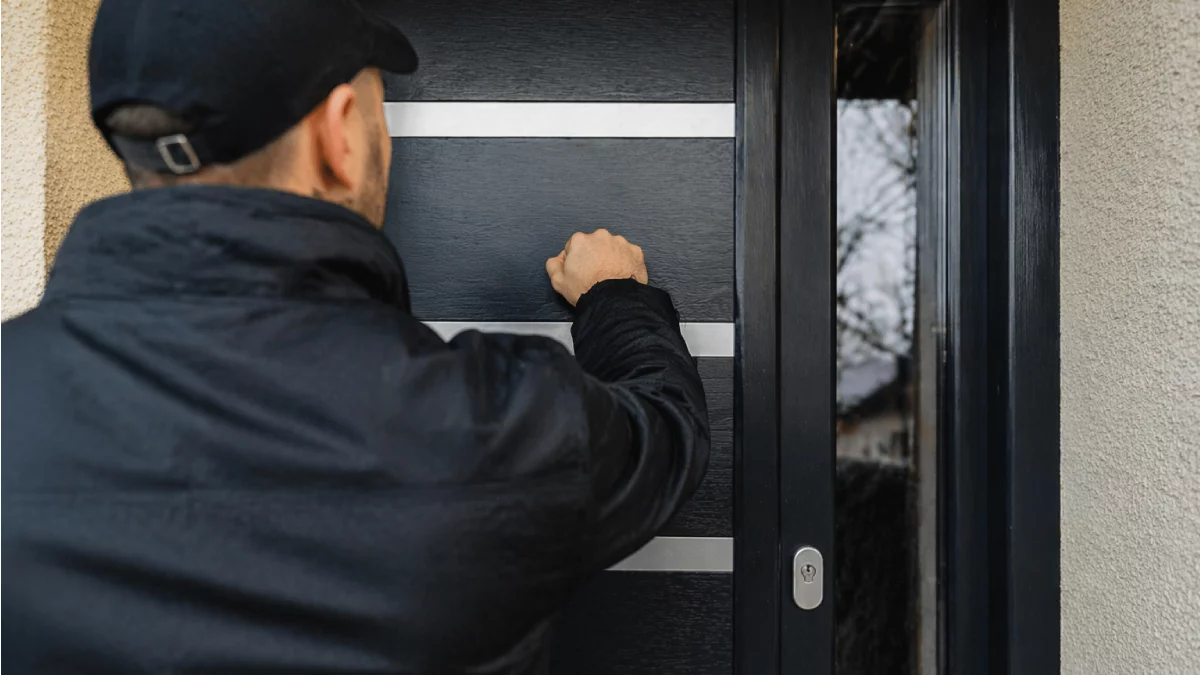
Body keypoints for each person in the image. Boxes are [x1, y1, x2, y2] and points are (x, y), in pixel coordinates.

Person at [0, 1, 710, 673]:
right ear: (339, 135)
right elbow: (668, 433)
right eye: (378, 110)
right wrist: (617, 299)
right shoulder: (488, 427)